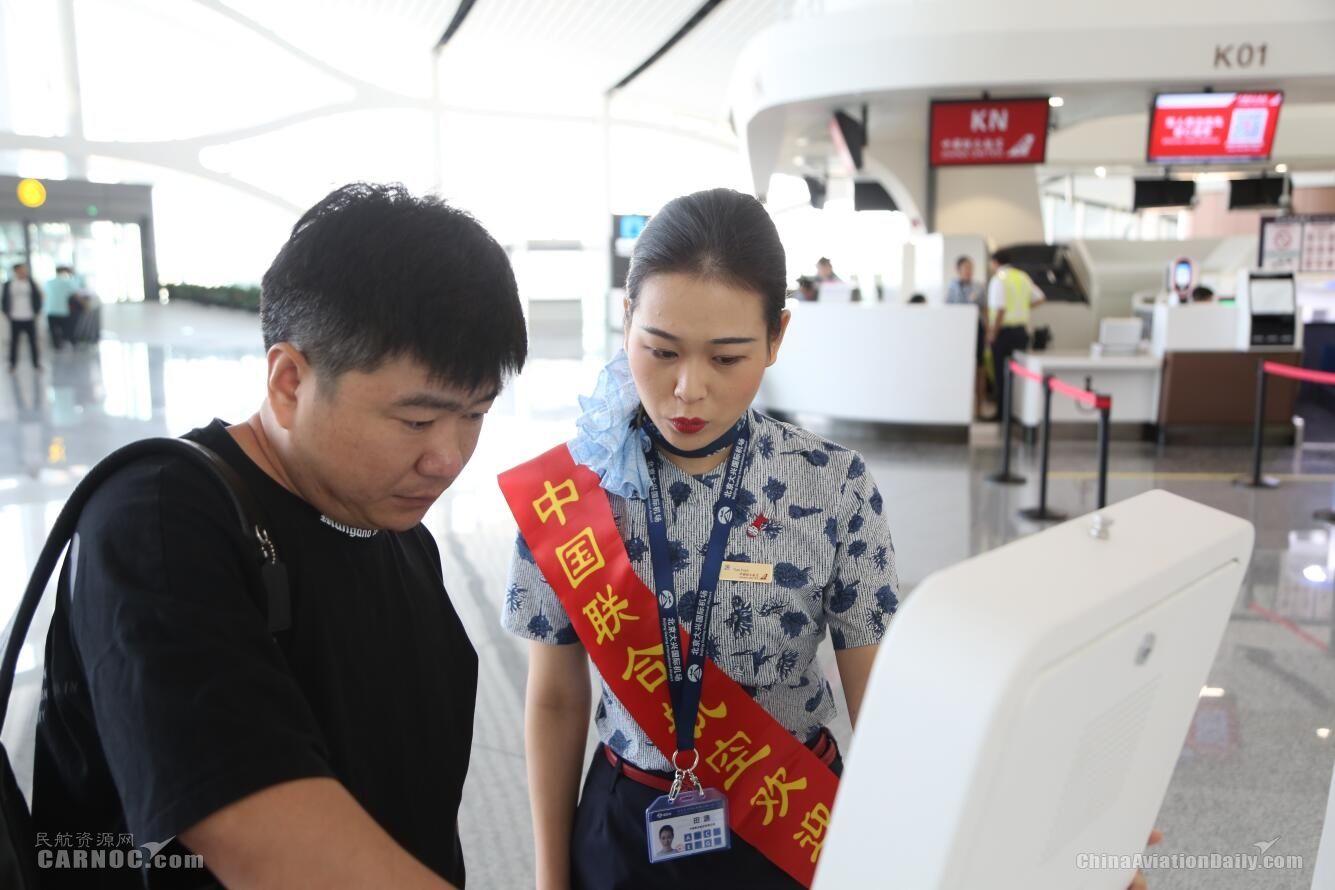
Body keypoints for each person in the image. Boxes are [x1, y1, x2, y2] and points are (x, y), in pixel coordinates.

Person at [32, 183, 527, 889]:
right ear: (290, 380)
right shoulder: (159, 523)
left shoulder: (393, 533)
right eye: (417, 420)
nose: (446, 458)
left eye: (474, 415)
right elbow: (267, 848)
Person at [502, 188, 897, 890]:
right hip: (623, 828)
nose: (688, 390)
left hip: (787, 819)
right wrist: (548, 877)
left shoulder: (832, 486)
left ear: (777, 336)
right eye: (661, 350)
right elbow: (556, 697)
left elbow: (877, 698)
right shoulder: (572, 491)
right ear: (627, 322)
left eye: (726, 358)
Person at [984, 251, 1044, 422]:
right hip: (1021, 332)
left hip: (1003, 332)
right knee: (1019, 374)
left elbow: (1000, 309)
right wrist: (1023, 308)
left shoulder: (999, 279)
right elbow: (1040, 298)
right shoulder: (1022, 277)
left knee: (1001, 373)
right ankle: (1018, 412)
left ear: (995, 262)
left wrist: (992, 333)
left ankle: (1002, 414)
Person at [945, 256, 988, 419]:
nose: (969, 271)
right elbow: (947, 308)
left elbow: (984, 309)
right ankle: (956, 406)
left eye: (971, 268)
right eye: (966, 268)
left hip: (976, 330)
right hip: (957, 331)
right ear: (959, 270)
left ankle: (979, 408)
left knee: (979, 368)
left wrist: (988, 330)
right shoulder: (952, 287)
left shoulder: (979, 287)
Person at [3, 261, 43, 371]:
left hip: (29, 317)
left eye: (24, 270)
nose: (23, 272)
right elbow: (4, 300)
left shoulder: (31, 283)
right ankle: (12, 364)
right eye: (21, 270)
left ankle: (36, 364)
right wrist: (7, 313)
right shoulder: (9, 284)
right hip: (15, 318)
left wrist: (37, 311)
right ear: (15, 271)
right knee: (14, 343)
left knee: (33, 342)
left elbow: (38, 298)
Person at [44, 265, 77, 349]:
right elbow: (75, 294)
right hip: (63, 310)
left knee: (53, 331)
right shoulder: (67, 282)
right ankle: (71, 343)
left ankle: (56, 346)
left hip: (50, 310)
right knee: (67, 329)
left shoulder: (48, 282)